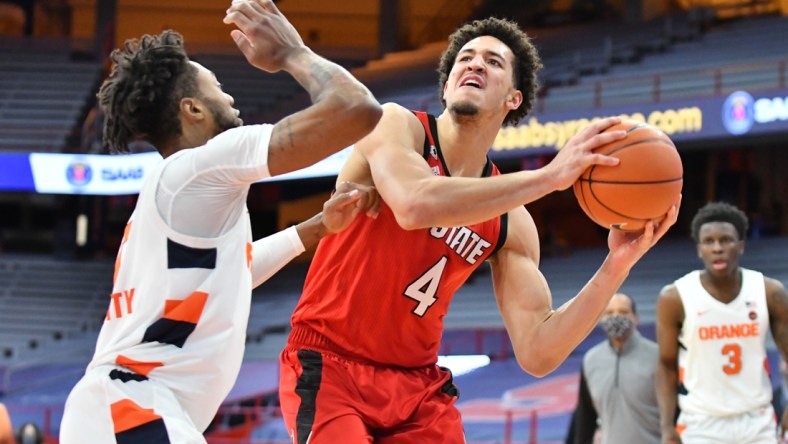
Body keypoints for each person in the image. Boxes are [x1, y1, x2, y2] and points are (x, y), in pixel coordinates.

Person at [279, 17, 680, 443]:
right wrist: (550, 177)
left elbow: (539, 351)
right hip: (329, 364)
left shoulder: (510, 220)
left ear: (513, 97)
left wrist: (616, 265)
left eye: (493, 61)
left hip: (417, 387)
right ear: (447, 86)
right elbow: (416, 204)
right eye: (465, 59)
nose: (475, 65)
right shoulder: (398, 127)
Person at [60, 0, 382, 442]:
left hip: (129, 407)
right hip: (133, 407)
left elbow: (231, 273)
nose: (230, 97)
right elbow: (358, 110)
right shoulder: (204, 166)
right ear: (192, 110)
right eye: (218, 87)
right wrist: (293, 53)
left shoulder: (183, 191)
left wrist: (315, 229)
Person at [656, 202, 788, 443]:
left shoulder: (769, 291)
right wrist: (666, 426)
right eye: (709, 242)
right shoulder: (675, 297)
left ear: (741, 246)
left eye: (726, 240)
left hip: (757, 420)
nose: (717, 248)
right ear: (699, 249)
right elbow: (666, 366)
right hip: (701, 423)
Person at [566, 293, 661, 444]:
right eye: (609, 313)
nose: (616, 317)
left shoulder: (658, 357)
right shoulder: (591, 360)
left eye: (623, 312)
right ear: (601, 318)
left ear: (636, 318)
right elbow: (585, 417)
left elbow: (675, 412)